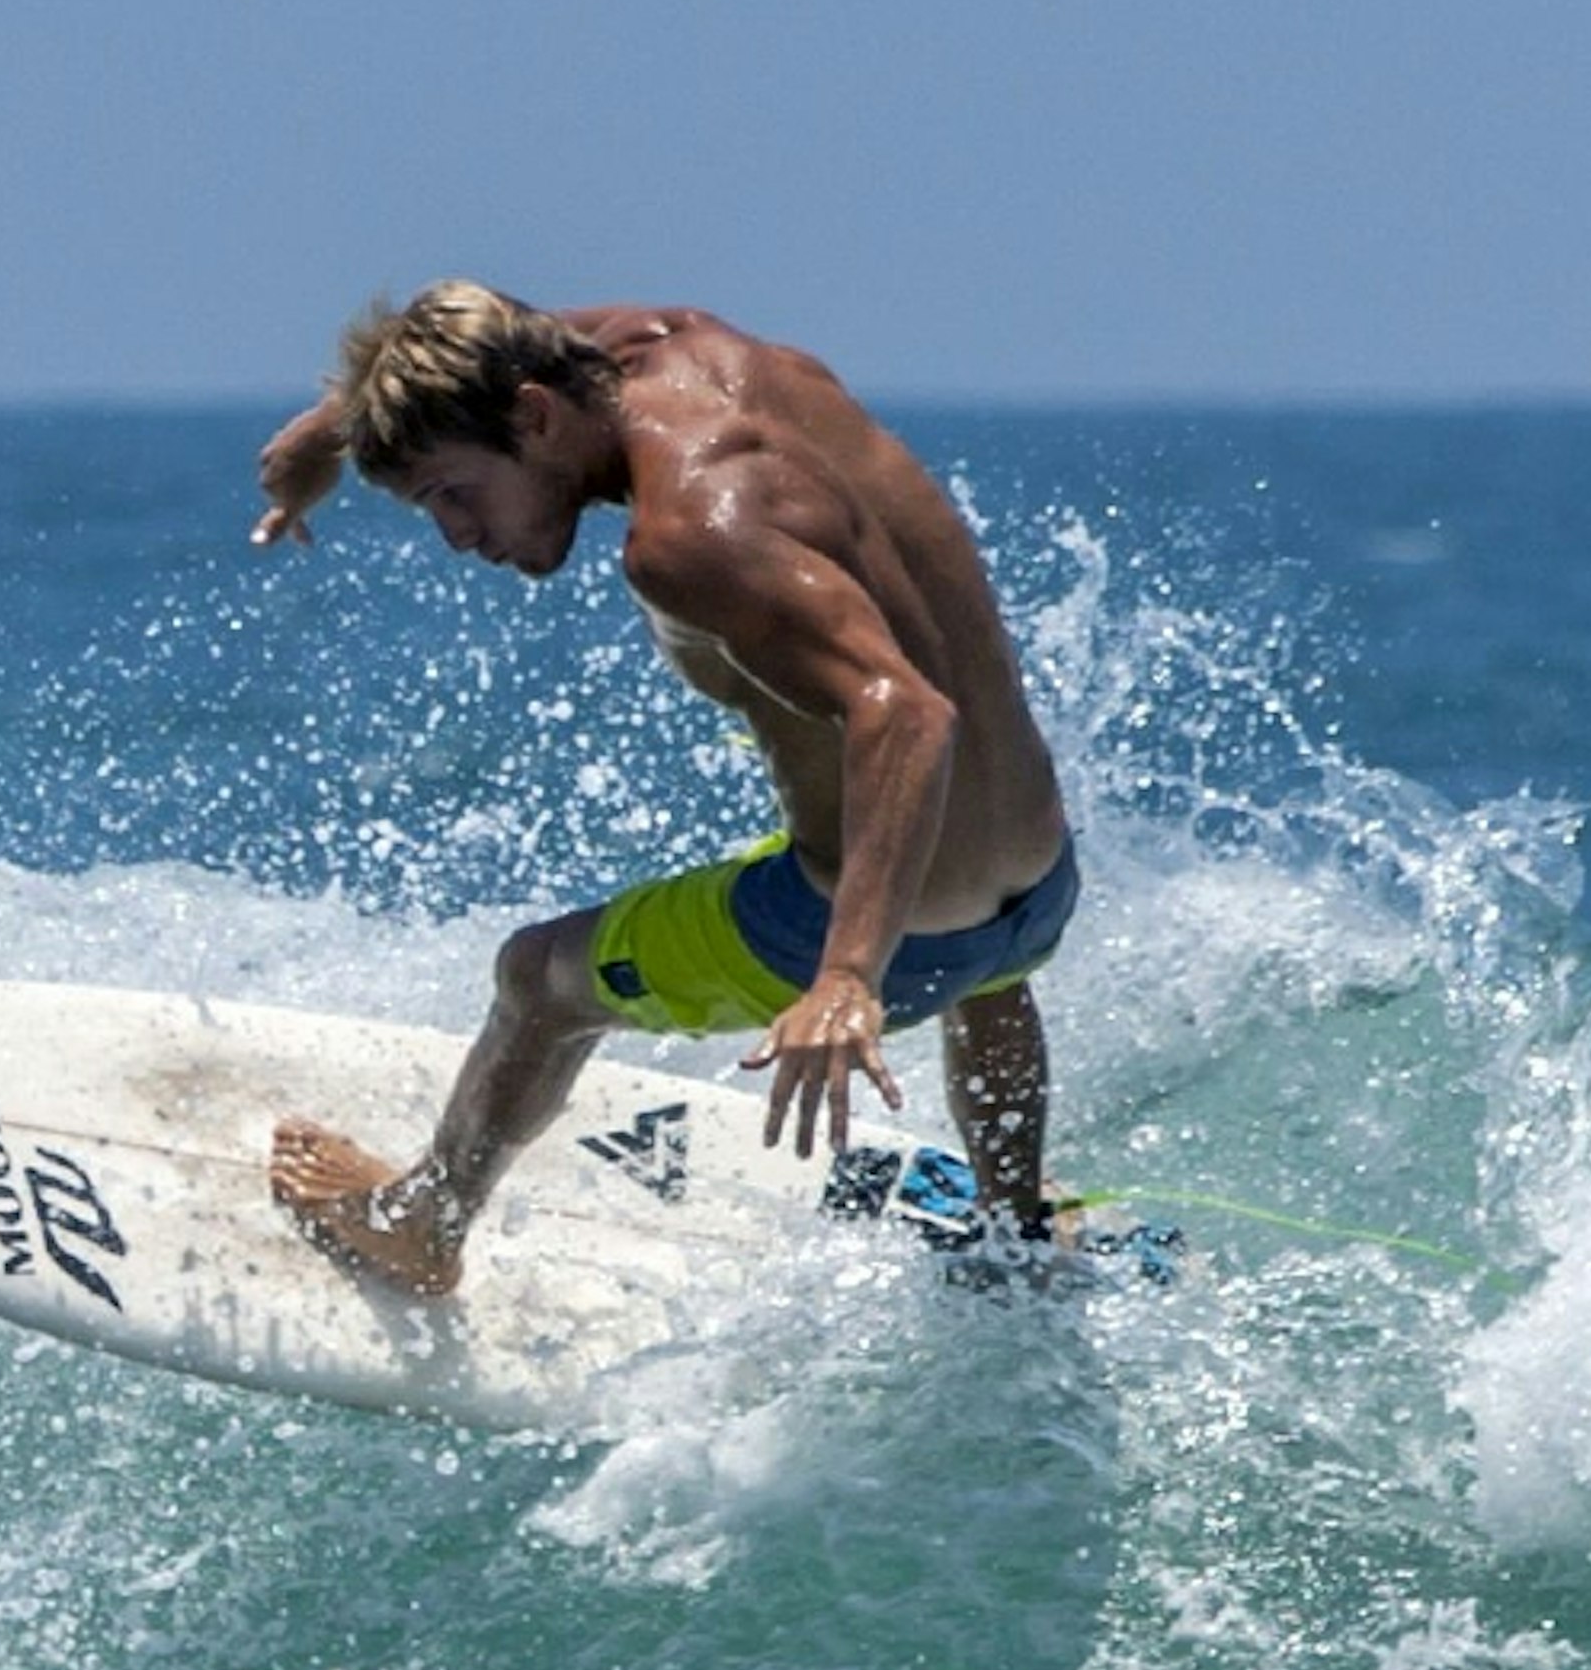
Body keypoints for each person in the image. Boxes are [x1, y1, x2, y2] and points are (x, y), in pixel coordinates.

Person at [249, 285, 1080, 1274]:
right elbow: (519, 337)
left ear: (537, 419)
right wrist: (331, 430)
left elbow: (907, 716)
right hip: (1039, 890)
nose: (459, 537)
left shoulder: (686, 540)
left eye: (451, 493)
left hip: (902, 945)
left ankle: (423, 1226)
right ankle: (1014, 1218)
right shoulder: (684, 346)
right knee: (982, 972)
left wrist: (846, 980)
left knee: (535, 981)